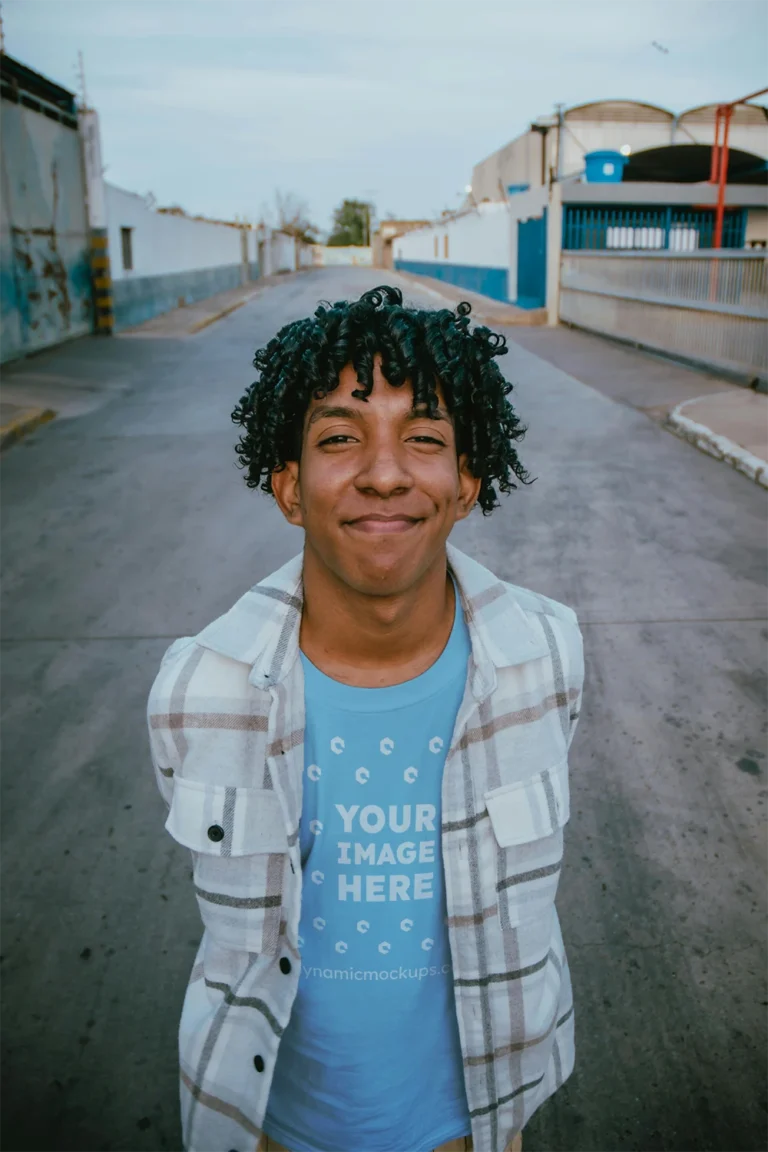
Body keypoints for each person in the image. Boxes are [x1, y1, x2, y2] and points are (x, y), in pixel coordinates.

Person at [148, 285, 584, 1152]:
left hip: (478, 1125)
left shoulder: (546, 654)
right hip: (269, 1128)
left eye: (423, 438)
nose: (384, 472)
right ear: (288, 487)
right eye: (339, 437)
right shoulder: (201, 690)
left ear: (467, 481)